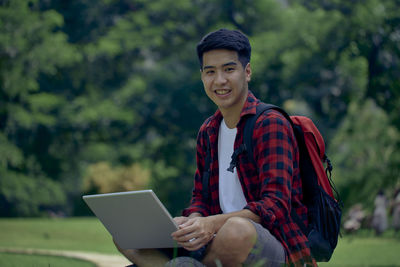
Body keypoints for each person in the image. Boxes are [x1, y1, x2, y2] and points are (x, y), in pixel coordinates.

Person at [115, 29, 315, 267]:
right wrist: (194, 221)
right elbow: (200, 198)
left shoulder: (270, 123)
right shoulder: (208, 131)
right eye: (210, 72)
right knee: (127, 234)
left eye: (229, 69)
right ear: (202, 77)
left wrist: (211, 224)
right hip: (214, 243)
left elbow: (275, 205)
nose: (219, 80)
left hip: (275, 246)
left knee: (237, 230)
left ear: (247, 72)